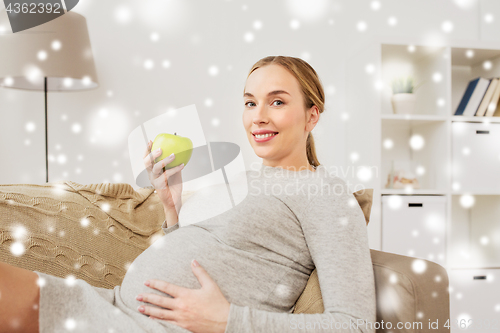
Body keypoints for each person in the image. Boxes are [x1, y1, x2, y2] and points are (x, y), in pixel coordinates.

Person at [0, 55, 376, 333]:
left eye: (277, 101)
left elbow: (355, 324)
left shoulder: (326, 194)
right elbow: (217, 255)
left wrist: (229, 321)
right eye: (250, 102)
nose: (257, 116)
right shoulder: (242, 179)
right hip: (114, 305)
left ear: (312, 115)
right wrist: (172, 207)